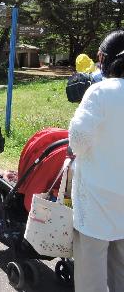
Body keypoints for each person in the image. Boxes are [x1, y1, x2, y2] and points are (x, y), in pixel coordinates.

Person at [68, 30, 124, 292]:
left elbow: (77, 141)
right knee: (120, 272)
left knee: (91, 276)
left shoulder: (99, 92)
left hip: (96, 202)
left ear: (104, 58)